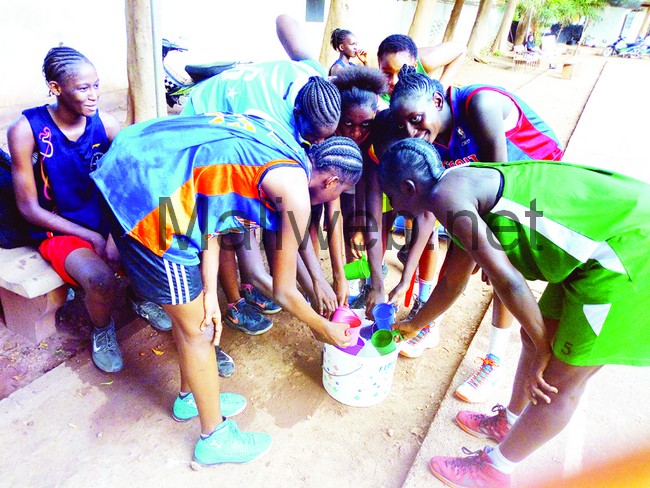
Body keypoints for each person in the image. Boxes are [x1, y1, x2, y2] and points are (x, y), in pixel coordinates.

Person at [91, 113, 363, 466]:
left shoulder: (289, 152)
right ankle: (213, 439)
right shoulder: (295, 193)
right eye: (337, 194)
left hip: (142, 164)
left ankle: (191, 396)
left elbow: (215, 209)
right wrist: (323, 327)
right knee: (198, 331)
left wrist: (208, 289)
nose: (330, 202)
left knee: (194, 313)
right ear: (333, 181)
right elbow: (283, 291)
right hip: (147, 197)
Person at [378, 137, 650, 487]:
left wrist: (542, 351)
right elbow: (452, 283)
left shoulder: (446, 200)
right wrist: (415, 324)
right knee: (534, 332)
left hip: (629, 254)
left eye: (392, 198)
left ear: (408, 188)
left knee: (558, 381)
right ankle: (510, 419)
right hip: (596, 246)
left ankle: (496, 469)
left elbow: (511, 284)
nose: (394, 207)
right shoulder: (458, 183)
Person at [389, 67, 564, 400]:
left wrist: (487, 254)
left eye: (416, 119)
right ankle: (426, 324)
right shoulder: (432, 142)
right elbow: (438, 207)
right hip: (493, 193)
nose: (412, 132)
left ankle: (494, 363)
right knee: (457, 264)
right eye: (404, 126)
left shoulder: (479, 104)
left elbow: (501, 180)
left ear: (437, 100)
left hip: (535, 186)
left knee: (502, 273)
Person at [182, 14, 345, 321]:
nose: (313, 145)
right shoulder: (275, 133)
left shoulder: (315, 80)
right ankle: (224, 301)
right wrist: (313, 292)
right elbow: (290, 217)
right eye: (310, 137)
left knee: (243, 225)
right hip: (202, 117)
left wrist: (317, 282)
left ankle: (245, 286)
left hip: (234, 113)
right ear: (296, 114)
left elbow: (285, 19)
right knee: (220, 222)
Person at [7, 46, 125, 373]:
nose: (94, 95)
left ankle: (144, 299)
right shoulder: (27, 129)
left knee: (160, 245)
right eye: (83, 88)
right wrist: (93, 238)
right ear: (56, 88)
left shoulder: (108, 125)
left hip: (107, 220)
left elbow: (127, 184)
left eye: (96, 85)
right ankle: (102, 329)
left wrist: (114, 235)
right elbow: (29, 207)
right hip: (58, 227)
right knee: (100, 280)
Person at [330, 65, 387, 299]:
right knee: (347, 224)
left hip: (375, 181)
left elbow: (370, 191)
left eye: (364, 124)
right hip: (341, 176)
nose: (355, 132)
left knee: (372, 227)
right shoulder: (328, 131)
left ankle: (373, 274)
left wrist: (361, 223)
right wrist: (353, 224)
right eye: (348, 124)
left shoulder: (379, 133)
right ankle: (352, 280)